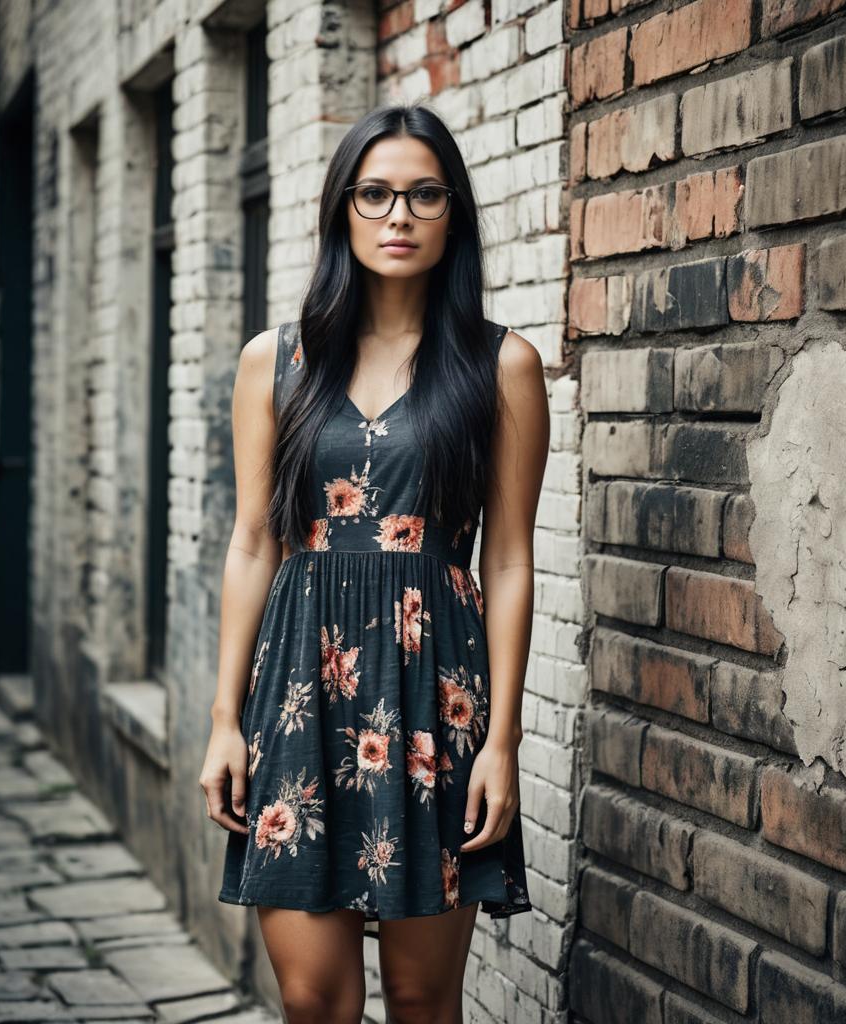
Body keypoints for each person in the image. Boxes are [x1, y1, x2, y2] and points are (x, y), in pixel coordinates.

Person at [199, 101, 550, 1024]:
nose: (400, 216)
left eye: (425, 195)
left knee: (423, 1002)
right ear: (343, 209)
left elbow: (509, 562)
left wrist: (503, 743)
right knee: (313, 999)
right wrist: (225, 719)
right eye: (376, 194)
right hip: (298, 696)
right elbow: (252, 542)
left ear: (454, 214)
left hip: (435, 698)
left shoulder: (501, 365)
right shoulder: (277, 360)